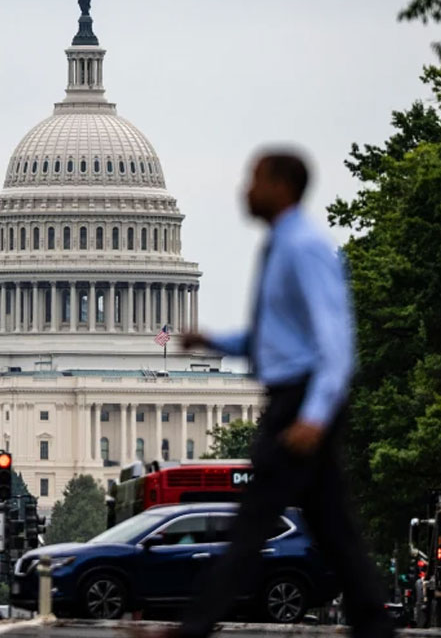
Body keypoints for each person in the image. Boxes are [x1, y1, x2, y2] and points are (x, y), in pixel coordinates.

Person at [162, 148, 392, 638]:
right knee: (333, 526)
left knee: (253, 521)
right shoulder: (280, 246)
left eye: (255, 179)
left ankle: (194, 627)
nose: (245, 189)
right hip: (294, 396)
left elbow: (334, 342)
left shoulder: (304, 247)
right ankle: (375, 625)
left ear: (282, 186)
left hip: (301, 400)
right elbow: (275, 337)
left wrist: (314, 414)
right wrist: (214, 342)